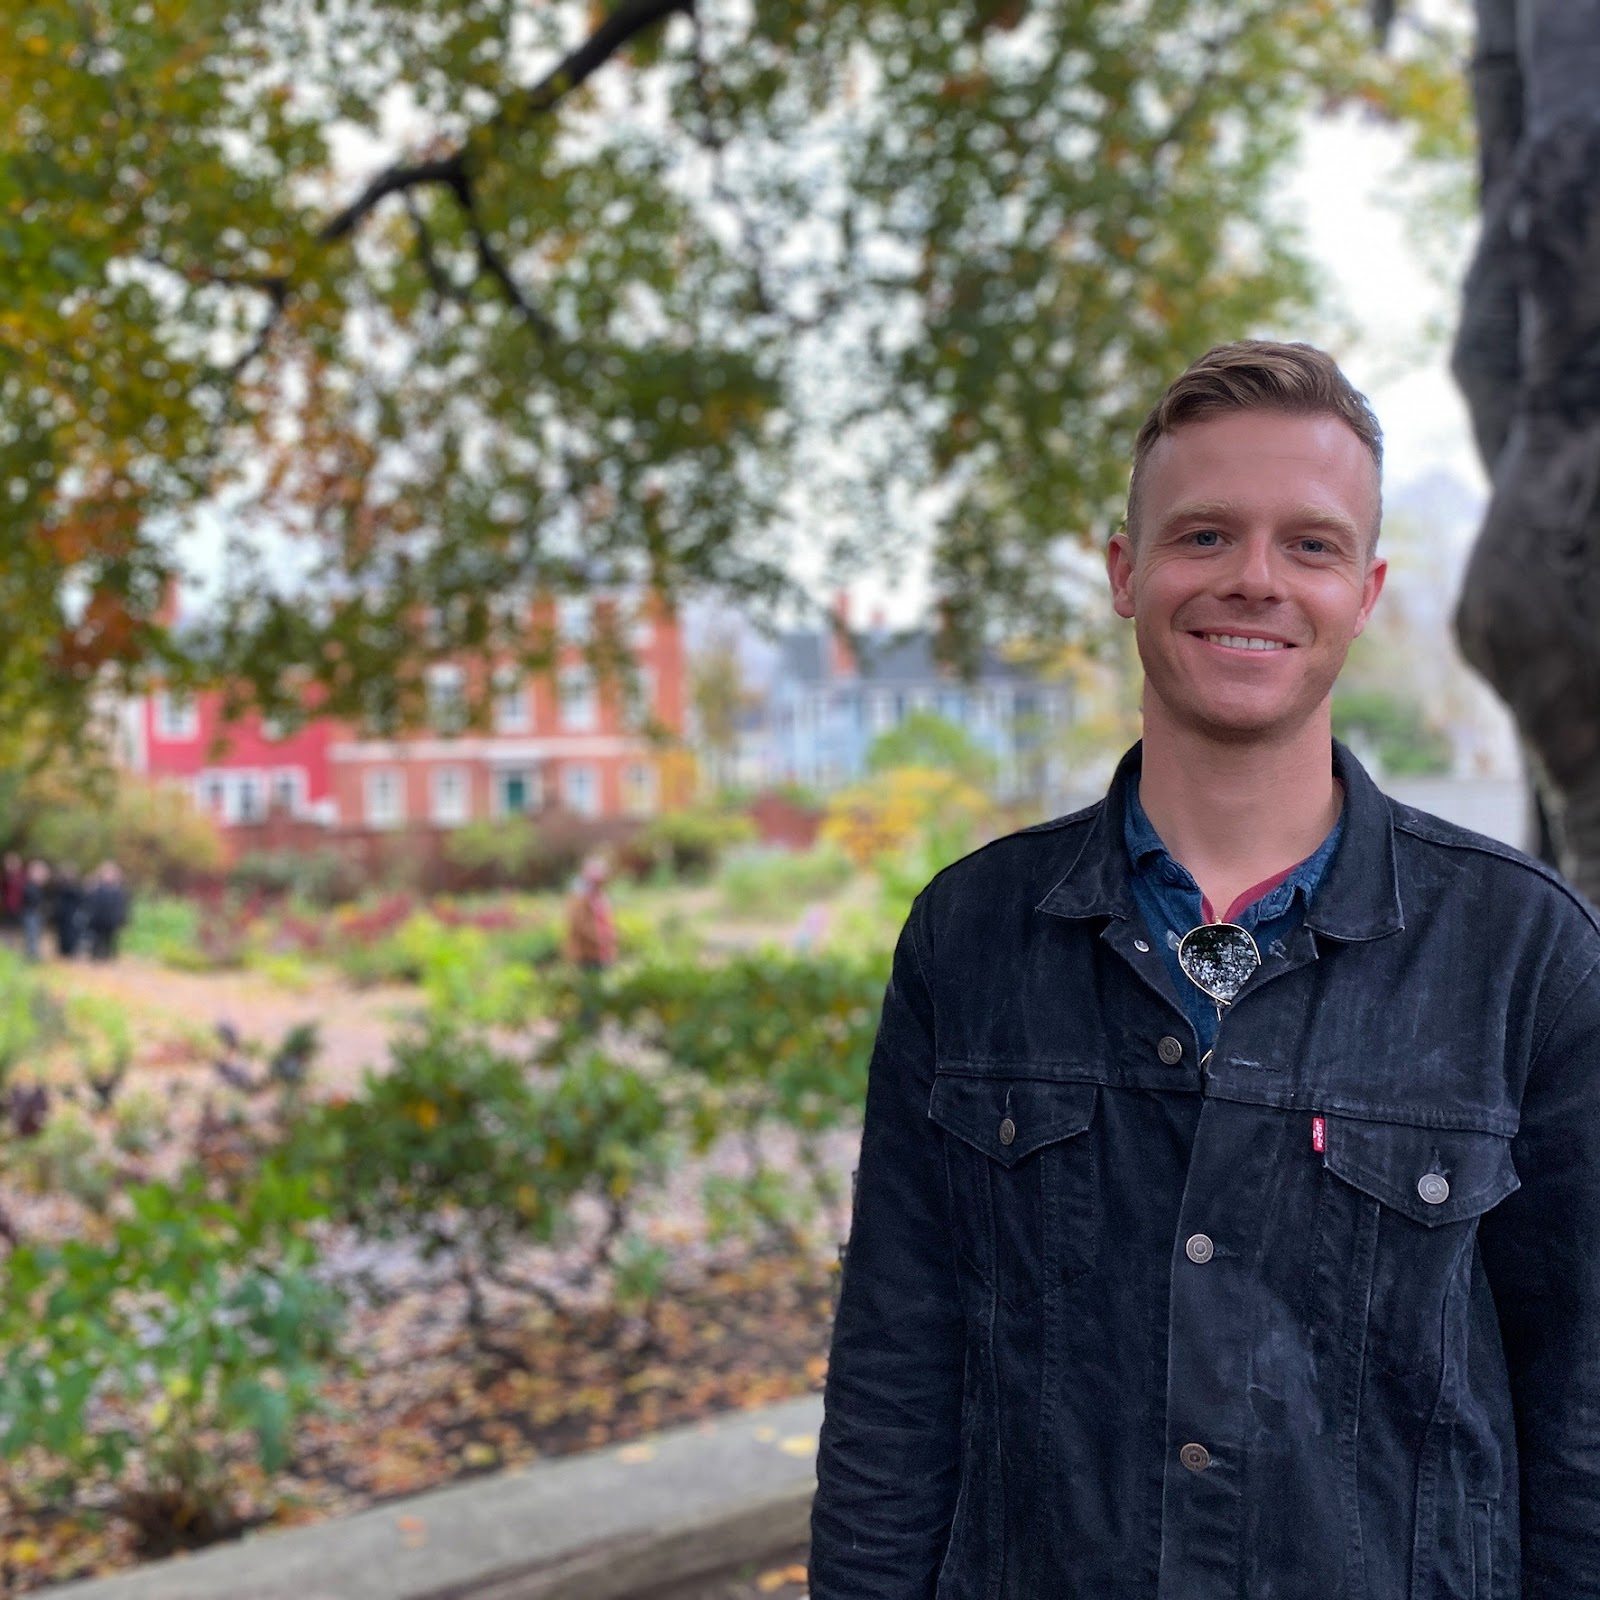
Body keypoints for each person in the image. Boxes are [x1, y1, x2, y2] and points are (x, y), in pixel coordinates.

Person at [811, 341, 1600, 1598]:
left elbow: (1580, 1424)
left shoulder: (1525, 956)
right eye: (1202, 535)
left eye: (1310, 543)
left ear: (1366, 589)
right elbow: (895, 1385)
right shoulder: (968, 940)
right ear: (1124, 572)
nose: (1253, 578)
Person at [85, 861, 130, 961]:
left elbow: (123, 907)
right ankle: (96, 957)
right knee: (97, 940)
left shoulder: (119, 891)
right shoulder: (96, 888)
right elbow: (89, 903)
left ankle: (108, 957)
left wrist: (123, 920)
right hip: (98, 920)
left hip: (112, 921)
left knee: (110, 940)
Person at [19, 860, 50, 962]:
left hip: (33, 914)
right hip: (30, 914)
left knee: (34, 936)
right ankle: (31, 958)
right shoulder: (29, 885)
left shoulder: (35, 886)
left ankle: (32, 957)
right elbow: (31, 900)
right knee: (31, 936)